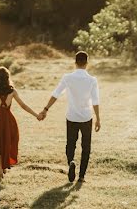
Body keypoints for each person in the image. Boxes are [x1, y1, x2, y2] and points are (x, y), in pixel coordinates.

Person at [38, 51, 101, 184]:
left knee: (70, 144)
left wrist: (45, 109)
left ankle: (71, 161)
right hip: (86, 117)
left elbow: (56, 94)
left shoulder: (67, 77)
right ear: (87, 63)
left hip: (72, 116)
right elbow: (95, 101)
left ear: (75, 62)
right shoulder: (92, 80)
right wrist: (98, 119)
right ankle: (82, 176)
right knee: (86, 146)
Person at [0, 66, 41, 180]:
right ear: (7, 77)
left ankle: (0, 174)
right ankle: (3, 168)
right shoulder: (12, 91)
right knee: (8, 143)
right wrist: (36, 115)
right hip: (9, 121)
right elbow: (23, 105)